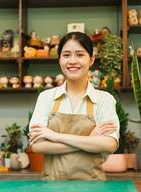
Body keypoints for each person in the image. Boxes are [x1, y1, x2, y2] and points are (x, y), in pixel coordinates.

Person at [28, 32, 120, 180]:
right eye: (66, 55)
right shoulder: (46, 98)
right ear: (59, 60)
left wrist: (54, 136)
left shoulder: (105, 100)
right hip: (52, 190)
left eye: (79, 54)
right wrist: (89, 140)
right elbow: (38, 146)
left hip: (93, 189)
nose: (72, 61)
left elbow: (109, 144)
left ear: (91, 59)